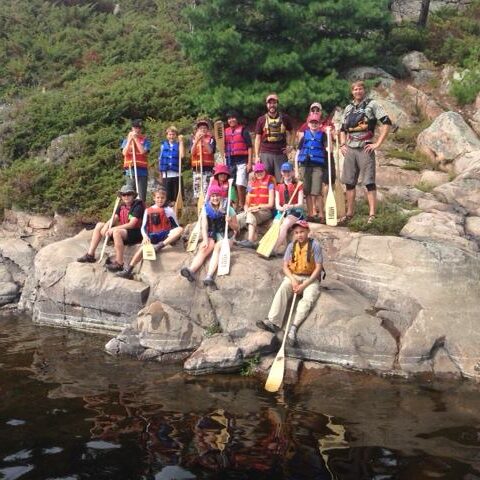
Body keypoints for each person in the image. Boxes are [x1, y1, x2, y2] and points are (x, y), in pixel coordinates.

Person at [257, 220, 324, 346]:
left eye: (302, 232)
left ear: (308, 232)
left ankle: (293, 328)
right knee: (283, 288)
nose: (299, 235)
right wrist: (293, 280)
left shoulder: (315, 245)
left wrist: (304, 285)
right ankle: (273, 322)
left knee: (308, 299)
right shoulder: (291, 246)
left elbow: (318, 268)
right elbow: (285, 267)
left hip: (310, 278)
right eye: (297, 232)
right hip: (294, 276)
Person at [339, 80, 392, 224]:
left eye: (360, 89)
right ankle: (350, 214)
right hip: (350, 149)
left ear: (364, 90)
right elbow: (343, 129)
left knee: (369, 182)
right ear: (352, 92)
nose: (358, 91)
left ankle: (372, 215)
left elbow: (387, 122)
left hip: (365, 147)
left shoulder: (372, 104)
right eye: (355, 89)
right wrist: (342, 144)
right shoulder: (348, 108)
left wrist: (378, 144)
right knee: (349, 183)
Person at [116, 187, 183, 280]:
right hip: (154, 235)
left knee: (180, 229)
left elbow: (176, 225)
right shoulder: (148, 210)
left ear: (165, 198)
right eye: (158, 197)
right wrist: (145, 237)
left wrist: (174, 236)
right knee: (143, 247)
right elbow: (143, 227)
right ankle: (129, 270)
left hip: (165, 235)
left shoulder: (169, 210)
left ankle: (160, 246)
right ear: (154, 198)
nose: (160, 200)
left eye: (162, 198)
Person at [180, 185, 238, 287]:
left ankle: (209, 276)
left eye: (217, 196)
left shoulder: (228, 208)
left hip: (227, 236)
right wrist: (206, 240)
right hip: (213, 234)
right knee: (205, 247)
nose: (215, 198)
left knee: (217, 248)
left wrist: (229, 222)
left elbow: (237, 228)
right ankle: (191, 270)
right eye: (213, 196)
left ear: (221, 196)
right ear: (210, 197)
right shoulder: (206, 208)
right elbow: (204, 226)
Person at [77, 185, 145, 271]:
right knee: (99, 225)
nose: (126, 196)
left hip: (136, 233)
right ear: (121, 196)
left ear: (133, 195)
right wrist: (106, 226)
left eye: (129, 194)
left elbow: (132, 224)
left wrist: (113, 229)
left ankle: (119, 263)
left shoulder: (137, 206)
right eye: (124, 195)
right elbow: (115, 218)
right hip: (125, 231)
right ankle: (90, 255)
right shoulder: (121, 206)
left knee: (117, 232)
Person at [296, 112, 334, 223]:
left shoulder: (323, 135)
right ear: (308, 124)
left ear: (319, 124)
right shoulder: (304, 136)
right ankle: (311, 214)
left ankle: (321, 215)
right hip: (304, 166)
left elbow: (330, 150)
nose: (314, 124)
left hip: (317, 166)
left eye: (316, 122)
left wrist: (329, 136)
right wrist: (297, 168)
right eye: (312, 122)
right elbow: (298, 153)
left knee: (317, 191)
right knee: (307, 191)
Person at [254, 93, 293, 182]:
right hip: (265, 153)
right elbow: (257, 138)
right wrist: (256, 156)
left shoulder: (285, 118)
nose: (272, 105)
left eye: (274, 102)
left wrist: (290, 146)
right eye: (269, 103)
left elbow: (292, 132)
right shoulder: (261, 119)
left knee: (281, 180)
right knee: (266, 179)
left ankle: (280, 196)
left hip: (281, 154)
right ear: (267, 105)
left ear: (277, 104)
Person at [236, 162, 275, 249]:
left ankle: (250, 240)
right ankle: (230, 238)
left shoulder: (270, 184)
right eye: (257, 172)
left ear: (264, 171)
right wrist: (246, 209)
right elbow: (246, 203)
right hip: (251, 210)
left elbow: (271, 204)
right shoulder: (251, 184)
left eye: (261, 171)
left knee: (251, 214)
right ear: (254, 173)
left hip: (265, 211)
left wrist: (257, 207)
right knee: (236, 218)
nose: (259, 173)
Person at [272, 162, 304, 254]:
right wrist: (282, 209)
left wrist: (291, 206)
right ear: (281, 172)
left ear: (293, 172)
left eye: (288, 171)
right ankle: (285, 247)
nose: (286, 174)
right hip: (282, 212)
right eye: (284, 171)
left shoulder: (298, 185)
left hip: (295, 211)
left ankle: (274, 249)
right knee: (275, 224)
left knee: (284, 225)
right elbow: (277, 205)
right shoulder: (278, 186)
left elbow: (301, 204)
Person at [224, 111, 253, 210]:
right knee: (233, 185)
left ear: (237, 119)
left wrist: (249, 163)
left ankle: (242, 205)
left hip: (242, 161)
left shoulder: (243, 130)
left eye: (233, 118)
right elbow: (220, 145)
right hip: (230, 161)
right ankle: (235, 206)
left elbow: (250, 147)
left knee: (240, 184)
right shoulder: (225, 132)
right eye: (229, 118)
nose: (231, 120)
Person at [121, 119, 151, 202]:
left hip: (142, 171)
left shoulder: (145, 140)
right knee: (130, 196)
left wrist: (136, 139)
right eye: (136, 128)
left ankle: (141, 212)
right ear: (132, 128)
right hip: (130, 171)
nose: (138, 130)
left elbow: (142, 152)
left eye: (139, 128)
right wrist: (130, 140)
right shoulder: (126, 140)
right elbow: (124, 153)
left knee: (141, 197)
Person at [190, 119, 216, 200]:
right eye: (200, 128)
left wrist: (203, 140)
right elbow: (192, 152)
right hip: (197, 168)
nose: (202, 130)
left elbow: (210, 151)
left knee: (207, 191)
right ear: (197, 130)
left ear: (207, 130)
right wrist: (197, 140)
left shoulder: (211, 139)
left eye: (204, 128)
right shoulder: (193, 139)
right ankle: (199, 208)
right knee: (197, 191)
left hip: (207, 168)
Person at [158, 125, 182, 204]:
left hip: (176, 175)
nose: (171, 136)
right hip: (166, 175)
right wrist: (160, 175)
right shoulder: (162, 146)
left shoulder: (179, 145)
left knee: (176, 199)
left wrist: (181, 142)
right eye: (169, 134)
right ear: (167, 135)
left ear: (176, 135)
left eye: (173, 134)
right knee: (167, 199)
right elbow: (160, 160)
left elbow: (182, 155)